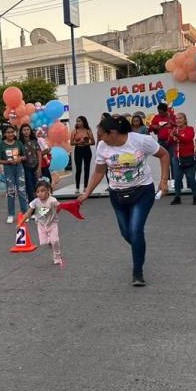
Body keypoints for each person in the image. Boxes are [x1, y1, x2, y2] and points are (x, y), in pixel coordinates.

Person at [78, 116, 170, 287]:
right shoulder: (103, 146)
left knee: (135, 230)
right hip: (117, 195)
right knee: (127, 233)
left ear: (112, 133)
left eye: (101, 135)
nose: (100, 138)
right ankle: (139, 248)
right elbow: (99, 172)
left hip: (142, 191)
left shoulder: (141, 141)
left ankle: (137, 272)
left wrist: (163, 181)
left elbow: (164, 155)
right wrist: (86, 193)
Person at [17, 180, 63, 266]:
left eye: (42, 191)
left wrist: (58, 208)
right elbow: (28, 213)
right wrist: (20, 223)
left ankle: (57, 257)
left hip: (52, 223)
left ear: (48, 190)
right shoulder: (35, 202)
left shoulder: (52, 200)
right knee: (44, 242)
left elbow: (59, 208)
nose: (40, 193)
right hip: (41, 224)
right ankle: (50, 241)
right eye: (38, 191)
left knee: (55, 241)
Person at [0, 125, 28, 224]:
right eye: (8, 132)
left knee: (22, 191)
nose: (10, 134)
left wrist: (20, 159)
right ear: (5, 134)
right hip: (8, 169)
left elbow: (24, 156)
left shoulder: (18, 143)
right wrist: (8, 162)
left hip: (19, 168)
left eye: (12, 132)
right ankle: (11, 214)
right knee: (11, 192)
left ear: (14, 133)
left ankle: (25, 213)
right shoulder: (1, 145)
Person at [170, 113, 196, 206]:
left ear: (185, 120)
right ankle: (177, 197)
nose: (178, 120)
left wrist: (177, 135)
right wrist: (171, 136)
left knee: (190, 178)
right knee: (177, 178)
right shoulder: (175, 130)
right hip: (177, 158)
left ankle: (195, 196)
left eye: (180, 118)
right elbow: (169, 142)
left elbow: (187, 139)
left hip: (189, 157)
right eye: (176, 119)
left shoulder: (189, 129)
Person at [149, 103, 176, 179]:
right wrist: (154, 126)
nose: (159, 114)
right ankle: (166, 180)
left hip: (171, 141)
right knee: (164, 161)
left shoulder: (172, 116)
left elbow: (177, 126)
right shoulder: (156, 117)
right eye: (158, 112)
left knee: (172, 161)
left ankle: (174, 180)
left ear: (166, 111)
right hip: (161, 141)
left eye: (161, 112)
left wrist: (172, 123)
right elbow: (150, 128)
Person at [70, 116, 95, 194]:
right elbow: (71, 142)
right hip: (78, 150)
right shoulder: (75, 131)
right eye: (77, 121)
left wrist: (87, 143)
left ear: (84, 122)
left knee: (86, 169)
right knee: (78, 169)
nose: (78, 123)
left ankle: (85, 187)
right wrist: (78, 143)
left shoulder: (88, 130)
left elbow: (93, 142)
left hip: (87, 149)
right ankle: (77, 187)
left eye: (79, 121)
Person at [19, 124, 42, 202]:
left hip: (35, 166)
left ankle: (39, 204)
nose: (26, 131)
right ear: (21, 132)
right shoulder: (19, 143)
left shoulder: (34, 141)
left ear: (30, 131)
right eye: (24, 130)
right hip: (25, 167)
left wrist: (39, 168)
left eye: (28, 130)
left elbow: (39, 154)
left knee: (37, 186)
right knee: (29, 187)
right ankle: (32, 205)